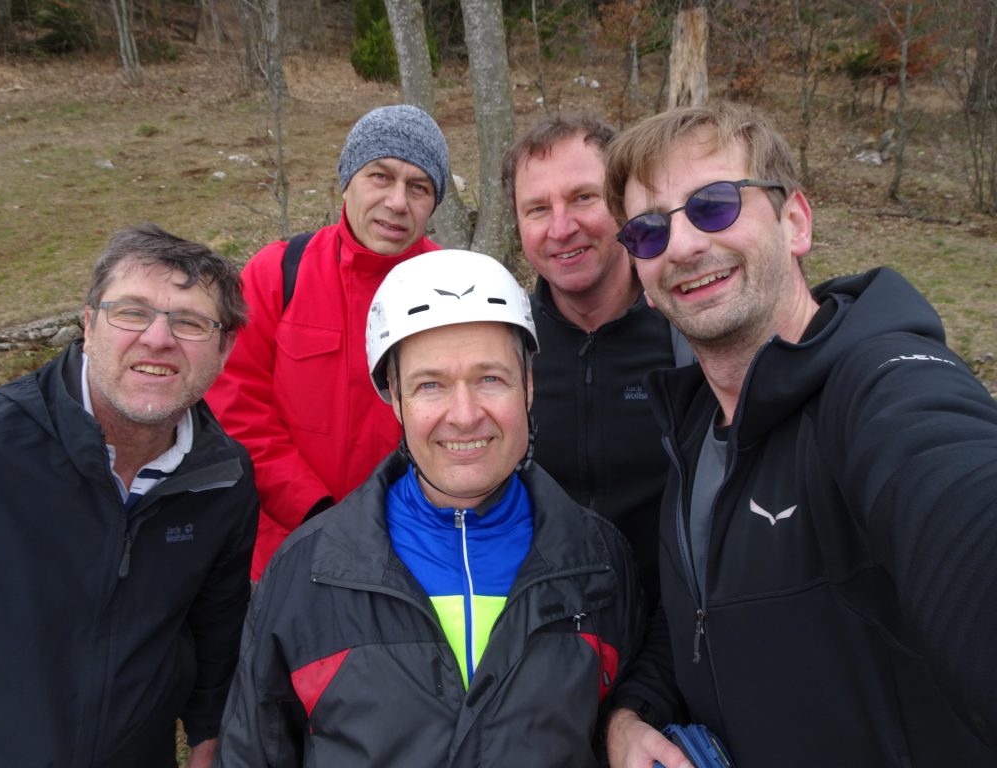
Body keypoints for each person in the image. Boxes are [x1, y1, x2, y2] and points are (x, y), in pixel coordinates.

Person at [600, 101, 997, 767]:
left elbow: (954, 498)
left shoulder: (878, 385)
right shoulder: (693, 429)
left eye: (715, 205)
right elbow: (699, 612)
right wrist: (632, 714)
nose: (684, 244)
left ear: (795, 223)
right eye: (647, 230)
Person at [214, 250, 645, 767]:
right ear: (394, 398)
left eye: (490, 378)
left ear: (528, 386)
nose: (464, 416)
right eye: (430, 385)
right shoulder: (306, 575)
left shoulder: (600, 562)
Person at [0, 223, 259, 767]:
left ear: (225, 348)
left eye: (191, 322)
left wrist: (209, 739)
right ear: (87, 324)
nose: (158, 338)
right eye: (131, 312)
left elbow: (217, 628)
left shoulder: (224, 478)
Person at [205, 104, 450, 580]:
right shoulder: (277, 274)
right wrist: (314, 511)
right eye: (381, 176)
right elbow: (235, 408)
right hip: (287, 550)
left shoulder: (453, 287)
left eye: (418, 187)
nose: (397, 202)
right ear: (347, 181)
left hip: (413, 552)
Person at [501, 112, 685, 600]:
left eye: (584, 197)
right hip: (543, 634)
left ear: (624, 204)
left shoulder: (691, 333)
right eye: (537, 209)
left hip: (679, 634)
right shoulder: (502, 349)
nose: (562, 228)